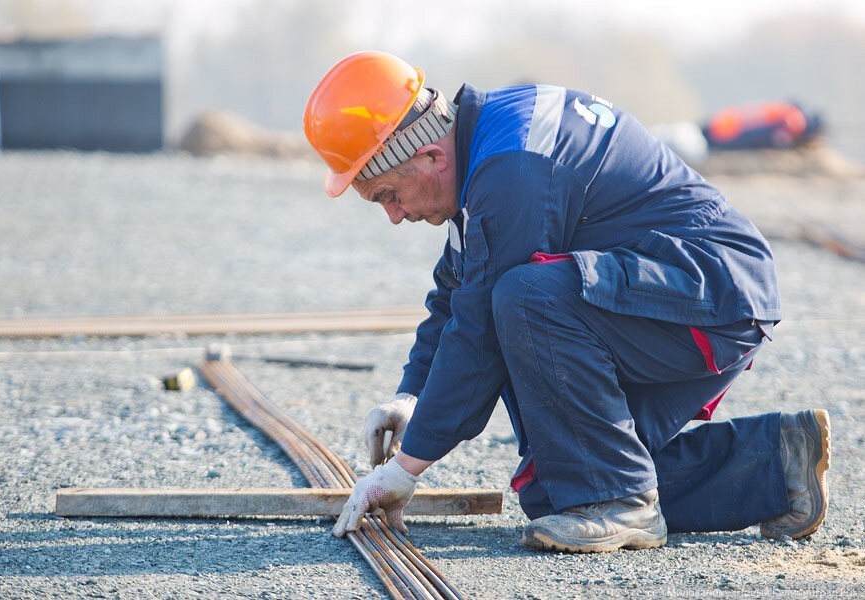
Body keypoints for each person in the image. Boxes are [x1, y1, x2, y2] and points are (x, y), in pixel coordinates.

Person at [303, 51, 831, 553]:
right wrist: (410, 397)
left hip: (713, 292)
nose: (394, 216)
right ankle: (778, 463)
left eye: (388, 196)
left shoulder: (513, 169)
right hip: (671, 296)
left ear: (430, 156)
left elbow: (479, 329)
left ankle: (624, 500)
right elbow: (456, 292)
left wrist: (405, 468)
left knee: (523, 297)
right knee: (559, 487)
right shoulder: (483, 149)